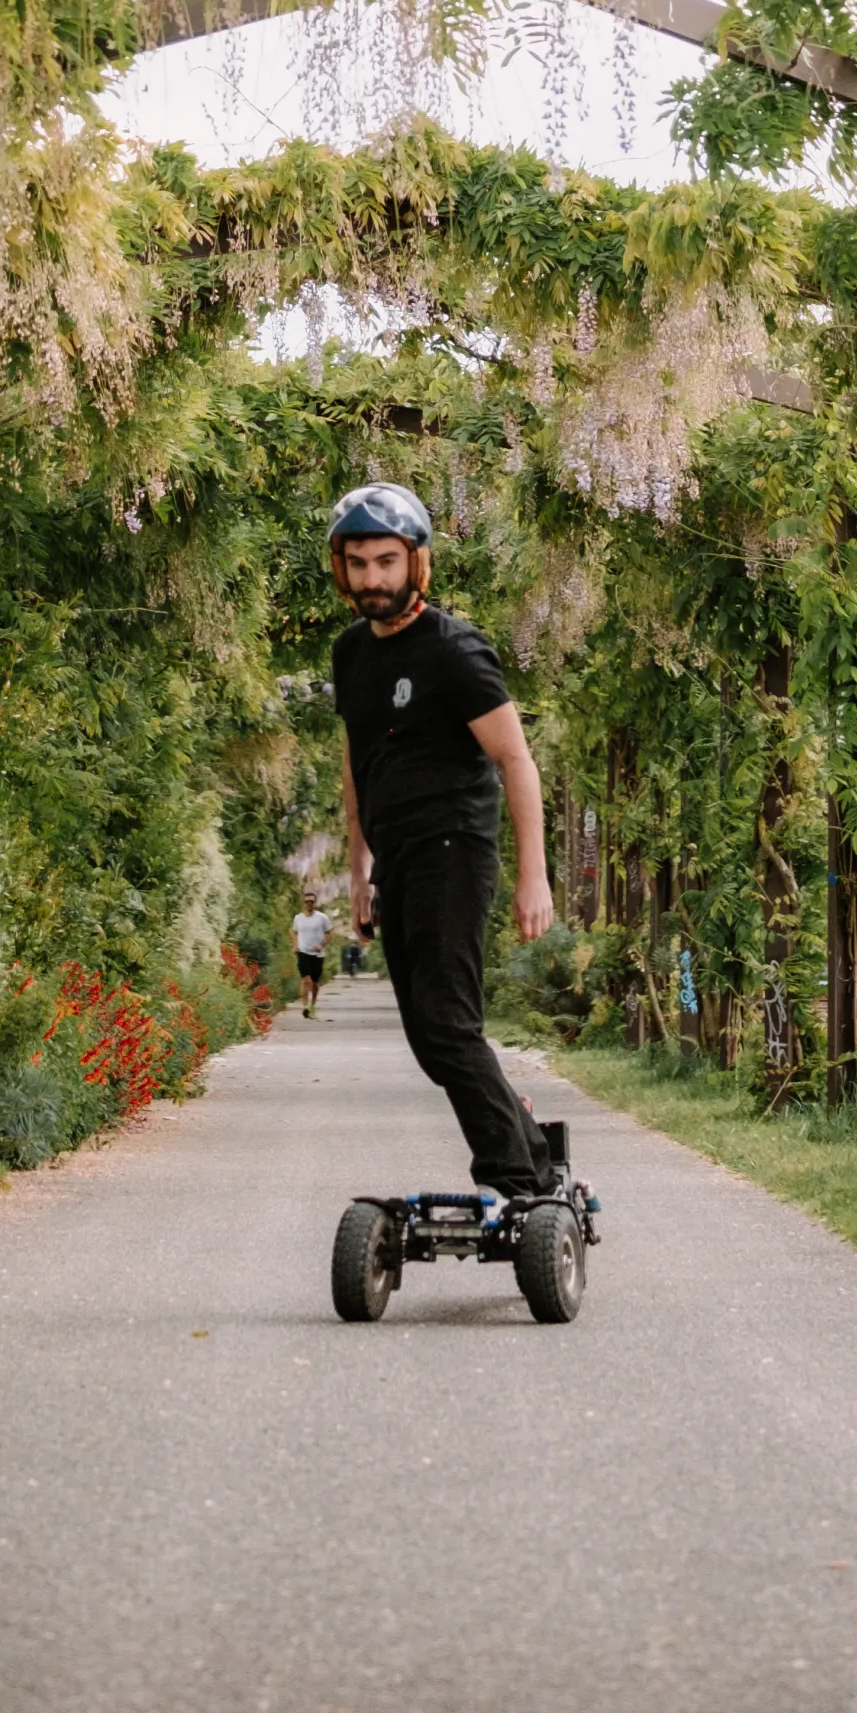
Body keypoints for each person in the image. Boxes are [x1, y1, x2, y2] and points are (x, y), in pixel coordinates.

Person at [325, 481, 558, 1197]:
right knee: (430, 1038)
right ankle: (532, 1149)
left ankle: (516, 1175)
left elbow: (515, 758)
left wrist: (534, 875)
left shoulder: (455, 650)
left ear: (416, 562)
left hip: (455, 846)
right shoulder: (350, 654)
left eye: (387, 561)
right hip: (397, 859)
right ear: (342, 569)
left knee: (449, 1024)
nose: (373, 579)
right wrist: (359, 869)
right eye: (359, 564)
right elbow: (357, 766)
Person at [291, 897, 334, 1016]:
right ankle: (305, 1006)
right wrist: (295, 945)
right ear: (303, 903)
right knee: (306, 980)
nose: (309, 903)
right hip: (303, 951)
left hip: (318, 954)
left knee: (314, 983)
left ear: (315, 903)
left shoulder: (322, 917)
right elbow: (295, 932)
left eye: (311, 901)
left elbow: (329, 932)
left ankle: (313, 1005)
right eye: (307, 901)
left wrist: (323, 945)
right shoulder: (298, 918)